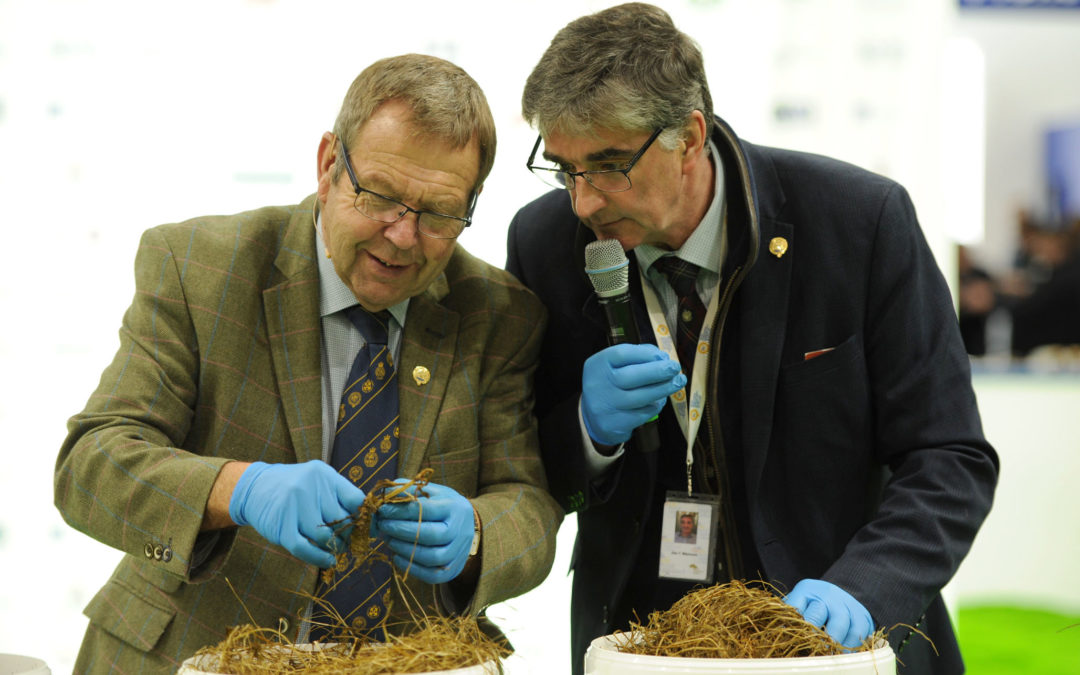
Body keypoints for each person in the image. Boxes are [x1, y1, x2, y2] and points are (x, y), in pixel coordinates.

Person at [505, 5, 998, 674]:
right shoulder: (543, 245)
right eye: (564, 168)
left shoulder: (858, 223)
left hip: (842, 649)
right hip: (647, 650)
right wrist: (587, 433)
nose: (583, 202)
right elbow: (527, 473)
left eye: (609, 165)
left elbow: (949, 457)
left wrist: (865, 585)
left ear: (689, 134)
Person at [54, 53, 562, 674]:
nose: (403, 235)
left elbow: (530, 506)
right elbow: (90, 466)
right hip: (184, 655)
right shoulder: (198, 266)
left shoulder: (501, 315)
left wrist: (479, 534)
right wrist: (237, 489)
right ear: (328, 166)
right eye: (380, 196)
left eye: (438, 213)